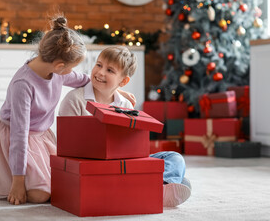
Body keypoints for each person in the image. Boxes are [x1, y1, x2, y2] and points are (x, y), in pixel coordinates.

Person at [0, 16, 135, 205]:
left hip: (40, 137)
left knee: (62, 185)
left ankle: (9, 179)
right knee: (40, 196)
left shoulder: (55, 72)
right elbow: (19, 135)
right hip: (14, 137)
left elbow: (84, 79)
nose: (72, 72)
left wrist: (116, 89)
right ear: (60, 66)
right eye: (71, 67)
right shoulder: (23, 85)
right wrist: (18, 182)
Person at [58, 46, 192, 207]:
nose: (100, 72)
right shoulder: (75, 99)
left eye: (110, 70)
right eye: (98, 65)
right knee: (182, 181)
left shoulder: (126, 104)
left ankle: (160, 186)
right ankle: (151, 189)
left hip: (122, 162)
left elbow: (131, 142)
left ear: (123, 81)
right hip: (93, 164)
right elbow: (67, 145)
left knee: (174, 158)